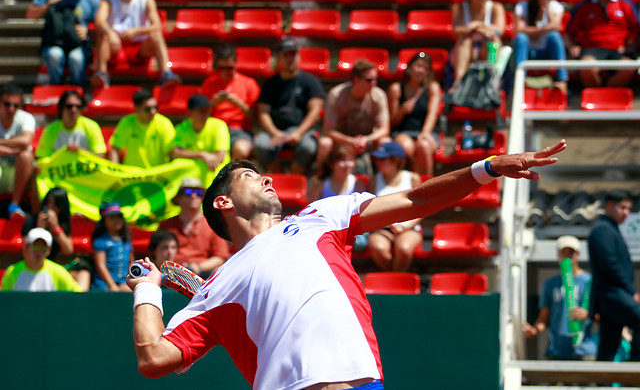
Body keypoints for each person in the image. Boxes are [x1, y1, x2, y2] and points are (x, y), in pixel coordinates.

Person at [126, 136, 566, 388]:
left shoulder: (323, 215)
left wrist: (485, 168)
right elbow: (153, 357)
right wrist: (147, 290)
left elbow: (414, 199)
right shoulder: (217, 288)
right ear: (223, 201)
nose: (267, 177)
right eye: (248, 176)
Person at [91, 0, 180, 89]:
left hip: (140, 48)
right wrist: (110, 33)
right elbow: (99, 20)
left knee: (156, 35)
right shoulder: (108, 0)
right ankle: (102, 73)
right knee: (104, 35)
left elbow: (157, 25)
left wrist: (136, 31)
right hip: (116, 47)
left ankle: (166, 72)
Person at [254, 38, 325, 174]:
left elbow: (315, 111)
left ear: (298, 56)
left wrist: (298, 133)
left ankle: (295, 178)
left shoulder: (310, 81)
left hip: (302, 131)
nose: (290, 58)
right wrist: (275, 133)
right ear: (279, 58)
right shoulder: (270, 83)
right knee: (260, 145)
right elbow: (263, 112)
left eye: (293, 54)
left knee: (308, 147)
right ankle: (278, 177)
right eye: (286, 55)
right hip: (275, 131)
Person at [25, 0, 100, 88]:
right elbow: (30, 14)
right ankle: (57, 90)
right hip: (54, 42)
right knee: (54, 55)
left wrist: (88, 31)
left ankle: (77, 93)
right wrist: (47, 5)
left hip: (78, 44)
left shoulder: (92, 0)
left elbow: (103, 28)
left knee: (76, 59)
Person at [565, 0, 638, 88]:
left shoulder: (626, 5)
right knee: (587, 67)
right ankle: (597, 96)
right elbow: (568, 33)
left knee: (629, 67)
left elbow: (638, 30)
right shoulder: (584, 6)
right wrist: (573, 46)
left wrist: (632, 48)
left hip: (619, 51)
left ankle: (604, 95)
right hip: (591, 50)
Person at [523, 235, 597, 360]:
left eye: (571, 253)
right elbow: (543, 317)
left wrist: (587, 314)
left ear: (577, 255)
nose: (568, 257)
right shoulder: (550, 284)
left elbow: (603, 314)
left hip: (583, 348)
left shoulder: (589, 281)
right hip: (557, 349)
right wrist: (534, 330)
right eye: (564, 253)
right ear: (558, 255)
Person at [588, 189, 640, 361]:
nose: (626, 212)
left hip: (611, 298)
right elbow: (610, 266)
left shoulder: (609, 229)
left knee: (608, 345)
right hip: (614, 296)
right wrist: (631, 292)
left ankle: (602, 384)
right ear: (609, 205)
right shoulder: (603, 230)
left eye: (628, 209)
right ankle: (635, 371)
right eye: (622, 207)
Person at [316, 59, 390, 175]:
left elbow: (384, 129)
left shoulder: (379, 95)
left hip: (367, 142)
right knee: (325, 143)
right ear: (356, 80)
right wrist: (350, 141)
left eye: (376, 79)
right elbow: (328, 130)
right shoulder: (337, 95)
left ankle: (382, 182)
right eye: (369, 80)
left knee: (386, 142)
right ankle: (320, 179)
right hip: (342, 142)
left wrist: (366, 139)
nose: (374, 83)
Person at [366, 142, 423, 272]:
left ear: (396, 160)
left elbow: (422, 208)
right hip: (382, 228)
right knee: (378, 248)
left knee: (404, 249)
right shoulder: (374, 180)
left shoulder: (412, 178)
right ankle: (394, 281)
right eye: (376, 158)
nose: (377, 162)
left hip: (409, 227)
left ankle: (394, 284)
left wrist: (406, 226)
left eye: (382, 158)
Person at [158, 177, 230, 278]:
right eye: (187, 192)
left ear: (202, 198)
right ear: (178, 198)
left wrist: (198, 267)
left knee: (219, 272)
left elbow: (220, 257)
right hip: (171, 274)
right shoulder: (166, 225)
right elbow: (157, 253)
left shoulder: (213, 223)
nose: (193, 195)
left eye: (198, 192)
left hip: (204, 275)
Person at [201, 46, 260, 160]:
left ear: (236, 64)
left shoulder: (249, 83)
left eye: (229, 68)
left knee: (241, 150)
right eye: (221, 68)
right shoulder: (209, 83)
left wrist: (240, 104)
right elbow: (199, 115)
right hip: (214, 128)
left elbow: (255, 118)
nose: (225, 72)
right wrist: (212, 104)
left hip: (238, 130)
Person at [449, 0, 506, 91]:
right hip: (466, 52)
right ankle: (458, 82)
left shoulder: (496, 7)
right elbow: (456, 31)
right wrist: (481, 27)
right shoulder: (460, 7)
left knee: (493, 39)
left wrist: (475, 25)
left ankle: (492, 79)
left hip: (487, 49)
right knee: (464, 41)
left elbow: (500, 30)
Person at [387, 52, 441, 176]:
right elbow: (393, 122)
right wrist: (402, 111)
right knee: (406, 147)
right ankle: (415, 184)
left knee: (423, 146)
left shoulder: (432, 87)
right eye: (418, 66)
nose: (420, 71)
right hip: (403, 131)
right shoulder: (396, 88)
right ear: (409, 68)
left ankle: (426, 185)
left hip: (426, 130)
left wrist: (425, 132)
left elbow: (433, 113)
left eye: (425, 68)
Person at [514, 0, 568, 92]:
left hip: (546, 52)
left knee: (554, 36)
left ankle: (562, 80)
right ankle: (520, 79)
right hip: (530, 52)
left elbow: (556, 26)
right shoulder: (522, 6)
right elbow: (519, 29)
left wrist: (547, 6)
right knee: (521, 38)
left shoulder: (555, 6)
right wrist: (544, 29)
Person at [170, 94, 230, 187]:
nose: (205, 114)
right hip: (190, 179)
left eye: (207, 110)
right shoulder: (181, 128)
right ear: (190, 112)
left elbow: (219, 157)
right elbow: (175, 153)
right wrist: (202, 155)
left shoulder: (219, 126)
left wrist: (193, 158)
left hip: (216, 179)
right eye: (201, 111)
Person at [108, 89, 175, 168]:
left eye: (155, 107)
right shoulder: (127, 122)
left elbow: (172, 152)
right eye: (147, 109)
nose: (153, 112)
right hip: (132, 176)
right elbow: (115, 149)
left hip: (157, 176)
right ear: (136, 108)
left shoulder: (164, 123)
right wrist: (114, 169)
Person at [1, 228, 83, 292]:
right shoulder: (11, 272)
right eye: (35, 246)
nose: (39, 252)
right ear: (27, 247)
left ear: (49, 250)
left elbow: (77, 294)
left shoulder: (58, 272)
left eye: (43, 248)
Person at [35, 89, 106, 159]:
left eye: (78, 106)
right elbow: (42, 159)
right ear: (61, 108)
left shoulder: (92, 126)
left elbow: (100, 156)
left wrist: (81, 151)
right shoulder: (50, 130)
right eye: (69, 106)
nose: (74, 110)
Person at [0, 85, 35, 218]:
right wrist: (13, 150)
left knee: (26, 156)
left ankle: (14, 205)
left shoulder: (26, 117)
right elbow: (22, 142)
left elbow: (25, 141)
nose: (11, 109)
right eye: (7, 104)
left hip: (19, 170)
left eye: (16, 105)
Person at [91, 201, 133, 291]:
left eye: (119, 217)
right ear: (104, 222)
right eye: (112, 218)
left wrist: (131, 280)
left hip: (124, 283)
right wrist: (112, 285)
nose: (116, 220)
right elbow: (100, 265)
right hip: (104, 285)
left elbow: (131, 262)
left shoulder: (126, 240)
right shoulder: (100, 241)